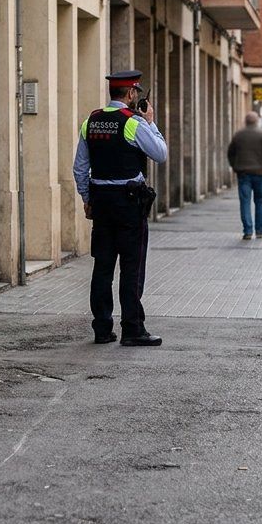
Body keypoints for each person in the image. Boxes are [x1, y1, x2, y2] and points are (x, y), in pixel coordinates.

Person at [72, 70, 168, 347]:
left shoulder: (91, 120)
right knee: (131, 267)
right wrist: (150, 123)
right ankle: (133, 329)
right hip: (128, 204)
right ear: (129, 94)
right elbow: (160, 153)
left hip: (101, 201)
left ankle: (102, 329)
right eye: (136, 92)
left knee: (102, 266)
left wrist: (87, 198)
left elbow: (80, 167)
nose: (136, 96)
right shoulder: (133, 123)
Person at [226, 112, 262, 240]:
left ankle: (248, 231)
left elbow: (230, 152)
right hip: (260, 173)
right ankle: (260, 230)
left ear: (246, 121)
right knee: (259, 201)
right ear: (257, 121)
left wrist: (235, 166)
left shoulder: (239, 135)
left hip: (243, 173)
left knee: (245, 201)